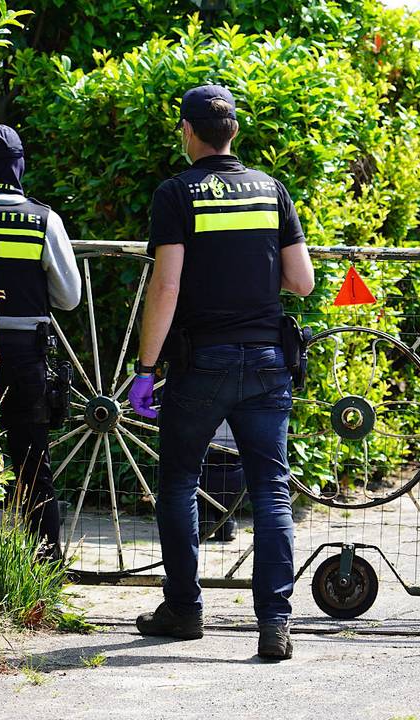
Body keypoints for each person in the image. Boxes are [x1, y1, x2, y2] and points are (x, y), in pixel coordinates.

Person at [127, 85, 315, 660]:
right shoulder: (272, 190)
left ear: (188, 131)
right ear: (235, 131)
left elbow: (166, 285)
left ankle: (184, 608)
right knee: (272, 493)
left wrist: (145, 369)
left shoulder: (176, 193)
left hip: (201, 363)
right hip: (266, 362)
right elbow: (302, 281)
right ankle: (275, 626)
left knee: (180, 482)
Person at [0, 125, 82, 561]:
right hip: (26, 353)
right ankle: (45, 561)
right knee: (32, 460)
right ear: (19, 164)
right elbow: (69, 297)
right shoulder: (44, 220)